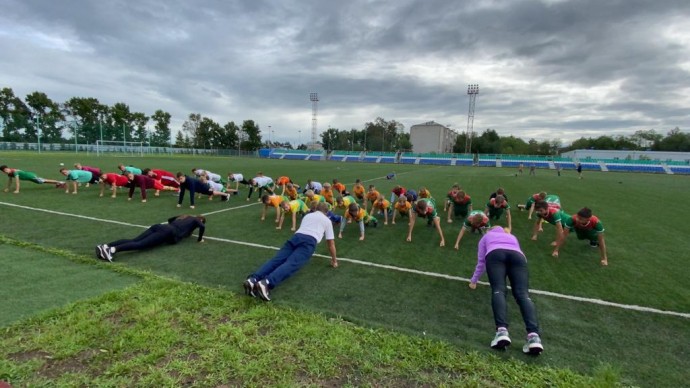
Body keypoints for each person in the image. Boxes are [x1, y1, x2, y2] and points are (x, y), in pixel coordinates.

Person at [468, 226, 543, 355]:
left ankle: (502, 331)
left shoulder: (486, 237)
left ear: (489, 230)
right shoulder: (512, 236)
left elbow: (481, 262)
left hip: (495, 254)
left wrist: (474, 280)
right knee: (523, 295)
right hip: (518, 258)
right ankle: (534, 337)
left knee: (499, 290)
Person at [244, 202, 338, 301]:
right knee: (291, 264)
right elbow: (331, 243)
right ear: (326, 212)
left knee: (276, 260)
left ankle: (253, 279)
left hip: (296, 237)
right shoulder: (327, 221)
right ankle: (266, 282)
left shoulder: (308, 216)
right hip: (309, 242)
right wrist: (334, 260)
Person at [95, 215, 206, 262]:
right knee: (140, 245)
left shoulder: (185, 216)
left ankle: (106, 246)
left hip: (159, 226)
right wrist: (200, 238)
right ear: (200, 220)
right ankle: (111, 251)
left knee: (134, 240)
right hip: (167, 231)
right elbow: (202, 226)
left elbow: (170, 219)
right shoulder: (196, 220)